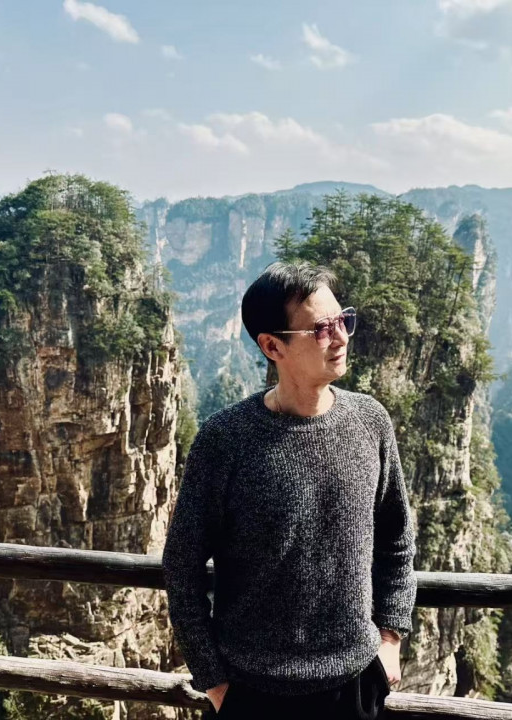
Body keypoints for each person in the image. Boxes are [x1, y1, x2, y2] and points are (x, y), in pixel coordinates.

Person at [162, 261, 417, 719]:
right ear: (272, 345)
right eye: (321, 329)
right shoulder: (226, 440)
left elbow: (396, 538)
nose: (340, 338)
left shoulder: (371, 422)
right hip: (253, 693)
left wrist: (391, 638)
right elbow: (182, 565)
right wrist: (215, 683)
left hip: (356, 686)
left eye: (343, 320)